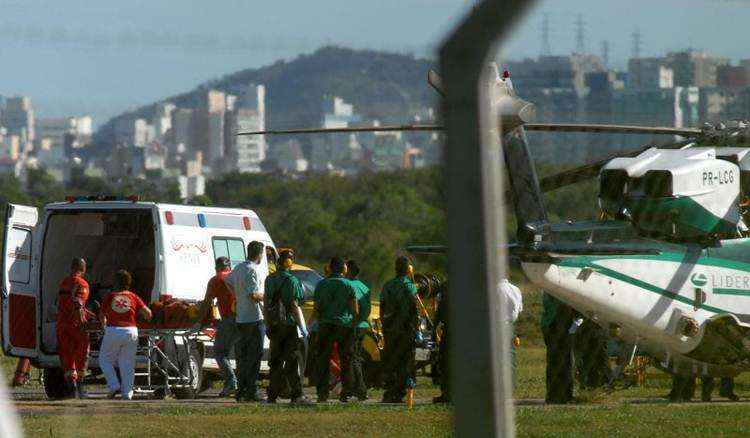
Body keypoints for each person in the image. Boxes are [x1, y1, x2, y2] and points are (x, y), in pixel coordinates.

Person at [264, 249, 311, 404]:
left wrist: (267, 322)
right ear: (290, 263)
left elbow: (266, 302)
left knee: (275, 360)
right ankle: (297, 394)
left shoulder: (269, 279)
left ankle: (272, 394)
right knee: (292, 360)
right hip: (289, 325)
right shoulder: (292, 281)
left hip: (274, 325)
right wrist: (302, 327)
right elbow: (294, 305)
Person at [99, 270, 152, 400]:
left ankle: (113, 385)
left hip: (114, 330)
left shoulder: (111, 296)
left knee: (104, 359)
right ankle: (127, 393)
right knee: (127, 363)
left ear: (116, 282)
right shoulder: (134, 296)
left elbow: (101, 315)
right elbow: (148, 313)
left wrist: (103, 324)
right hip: (131, 331)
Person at [313, 256, 358, 403]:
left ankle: (322, 392)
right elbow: (355, 310)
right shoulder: (349, 285)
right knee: (347, 359)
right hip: (344, 325)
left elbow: (317, 308)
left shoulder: (321, 285)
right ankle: (347, 392)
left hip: (326, 324)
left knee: (323, 359)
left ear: (330, 268)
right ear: (344, 269)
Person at [226, 241, 266, 402]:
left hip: (241, 317)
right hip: (254, 317)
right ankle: (252, 389)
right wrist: (268, 297)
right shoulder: (251, 270)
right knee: (255, 355)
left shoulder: (239, 268)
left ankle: (241, 390)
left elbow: (228, 281)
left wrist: (237, 295)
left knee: (242, 356)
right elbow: (254, 295)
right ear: (259, 254)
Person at [195, 256, 237, 397]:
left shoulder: (216, 279)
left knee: (220, 352)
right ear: (229, 267)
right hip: (246, 319)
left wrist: (198, 321)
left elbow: (208, 302)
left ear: (217, 267)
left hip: (229, 319)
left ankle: (232, 382)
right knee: (243, 354)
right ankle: (243, 385)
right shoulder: (236, 276)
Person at [379, 255, 419, 404]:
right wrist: (416, 329)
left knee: (391, 360)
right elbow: (415, 310)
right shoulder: (410, 286)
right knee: (405, 361)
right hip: (406, 330)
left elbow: (382, 306)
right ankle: (398, 392)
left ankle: (389, 391)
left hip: (390, 330)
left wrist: (385, 325)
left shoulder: (387, 285)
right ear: (409, 269)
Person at [56, 257, 91, 398]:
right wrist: (83, 318)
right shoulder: (81, 283)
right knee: (82, 353)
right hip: (76, 324)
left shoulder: (64, 282)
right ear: (83, 269)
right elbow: (78, 302)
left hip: (62, 324)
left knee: (67, 354)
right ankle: (80, 388)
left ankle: (72, 388)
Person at [540, 291, 575, 404]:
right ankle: (560, 395)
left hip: (554, 327)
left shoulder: (548, 292)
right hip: (557, 327)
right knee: (562, 362)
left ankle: (557, 394)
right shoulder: (556, 293)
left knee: (558, 362)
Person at [344, 259, 370, 401]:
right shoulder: (364, 287)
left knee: (351, 358)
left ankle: (359, 389)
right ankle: (356, 388)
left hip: (352, 326)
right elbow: (367, 309)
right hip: (363, 326)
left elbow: (352, 308)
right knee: (357, 357)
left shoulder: (348, 286)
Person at [499, 278, 523, 387]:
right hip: (510, 325)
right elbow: (519, 309)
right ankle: (511, 383)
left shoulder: (494, 289)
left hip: (497, 324)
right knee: (510, 355)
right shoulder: (516, 289)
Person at [432, 280, 450, 404]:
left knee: (446, 363)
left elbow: (440, 311)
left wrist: (434, 328)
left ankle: (447, 394)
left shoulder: (446, 286)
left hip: (450, 332)